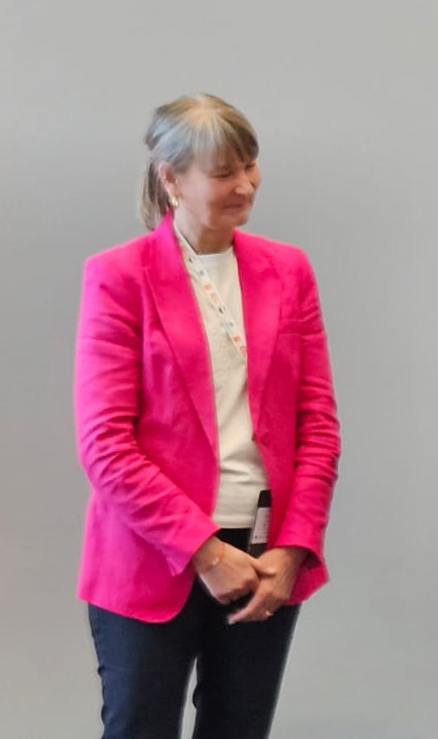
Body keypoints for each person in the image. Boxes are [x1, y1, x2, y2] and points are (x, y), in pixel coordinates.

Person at [73, 93, 341, 739]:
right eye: (224, 172)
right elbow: (105, 442)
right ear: (171, 178)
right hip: (150, 558)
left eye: (250, 165)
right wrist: (201, 549)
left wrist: (293, 547)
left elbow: (318, 423)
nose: (245, 184)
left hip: (264, 555)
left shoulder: (288, 269)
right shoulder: (117, 276)